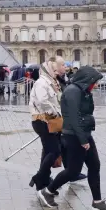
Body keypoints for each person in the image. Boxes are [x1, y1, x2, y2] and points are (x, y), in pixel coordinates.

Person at [37, 66, 106, 210]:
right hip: (74, 136)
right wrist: (83, 140)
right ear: (87, 80)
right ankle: (48, 191)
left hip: (84, 133)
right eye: (95, 82)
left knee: (94, 165)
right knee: (73, 171)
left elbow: (85, 113)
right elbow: (73, 118)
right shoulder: (73, 91)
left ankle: (97, 202)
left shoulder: (82, 91)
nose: (97, 85)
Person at [28, 57, 63, 191]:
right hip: (42, 120)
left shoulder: (51, 82)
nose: (56, 72)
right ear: (47, 70)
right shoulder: (41, 83)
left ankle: (44, 179)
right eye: (53, 70)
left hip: (47, 120)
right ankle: (40, 177)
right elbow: (43, 102)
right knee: (54, 151)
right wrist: (56, 113)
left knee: (48, 150)